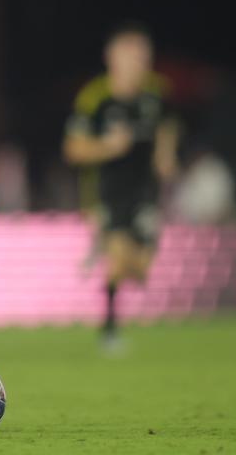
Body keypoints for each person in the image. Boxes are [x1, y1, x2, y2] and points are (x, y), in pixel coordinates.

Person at [62, 25, 178, 349]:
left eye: (142, 56)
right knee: (118, 259)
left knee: (139, 270)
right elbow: (73, 149)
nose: (137, 63)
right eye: (130, 56)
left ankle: (103, 249)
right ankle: (109, 331)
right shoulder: (95, 98)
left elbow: (168, 125)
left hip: (145, 191)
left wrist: (165, 154)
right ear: (112, 58)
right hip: (106, 190)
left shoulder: (157, 93)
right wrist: (108, 147)